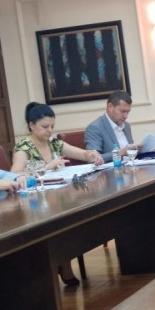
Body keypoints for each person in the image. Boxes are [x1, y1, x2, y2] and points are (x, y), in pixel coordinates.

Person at [13, 102, 100, 287]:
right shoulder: (24, 147)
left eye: (52, 126)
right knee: (60, 221)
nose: (50, 131)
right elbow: (14, 175)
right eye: (45, 126)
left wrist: (92, 154)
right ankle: (60, 264)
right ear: (31, 125)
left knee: (74, 217)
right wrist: (46, 168)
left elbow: (82, 154)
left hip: (57, 197)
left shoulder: (54, 143)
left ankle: (63, 260)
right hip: (35, 204)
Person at [85, 91, 137, 162]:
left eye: (128, 112)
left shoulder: (126, 126)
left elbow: (130, 153)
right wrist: (120, 153)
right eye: (122, 111)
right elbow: (93, 158)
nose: (126, 116)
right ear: (110, 107)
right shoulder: (95, 127)